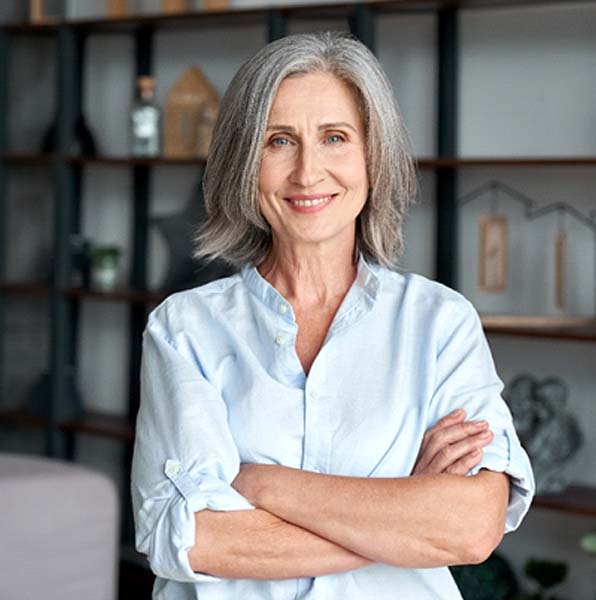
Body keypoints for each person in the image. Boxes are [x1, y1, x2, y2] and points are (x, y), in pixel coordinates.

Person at [131, 31, 535, 600]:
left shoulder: (440, 324)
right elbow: (193, 540)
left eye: (335, 138)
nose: (307, 173)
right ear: (245, 163)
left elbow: (470, 527)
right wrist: (405, 515)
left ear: (373, 156)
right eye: (278, 141)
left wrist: (260, 483)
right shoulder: (184, 329)